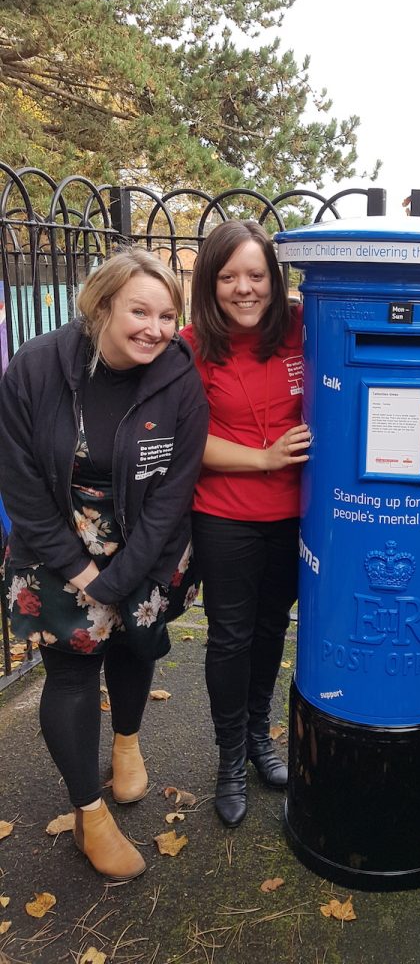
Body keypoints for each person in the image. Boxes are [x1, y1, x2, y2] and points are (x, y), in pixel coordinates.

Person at [0, 248, 209, 881]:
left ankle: (126, 744)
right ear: (101, 307)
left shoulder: (179, 375)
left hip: (147, 537)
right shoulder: (36, 367)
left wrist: (122, 578)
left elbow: (175, 489)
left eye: (167, 315)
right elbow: (22, 485)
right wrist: (85, 574)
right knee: (71, 671)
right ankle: (89, 815)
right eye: (139, 312)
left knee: (136, 647)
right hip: (58, 540)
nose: (155, 328)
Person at [182, 220, 310, 828]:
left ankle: (260, 736)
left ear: (273, 279)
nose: (244, 288)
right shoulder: (190, 347)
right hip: (225, 514)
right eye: (229, 276)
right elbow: (188, 439)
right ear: (210, 283)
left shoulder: (299, 328)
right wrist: (263, 458)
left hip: (293, 513)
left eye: (256, 275)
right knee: (230, 637)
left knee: (270, 627)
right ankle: (229, 756)